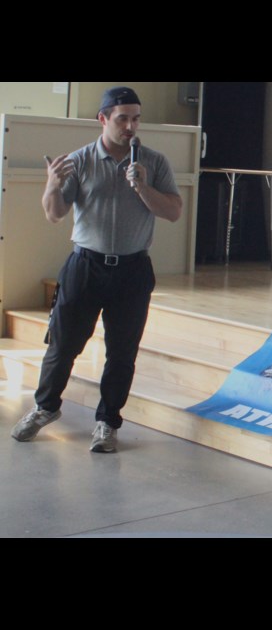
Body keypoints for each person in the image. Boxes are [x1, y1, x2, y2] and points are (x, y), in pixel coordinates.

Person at [10, 87, 182, 453]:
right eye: (123, 118)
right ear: (103, 119)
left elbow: (173, 211)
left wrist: (143, 187)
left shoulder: (153, 162)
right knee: (63, 345)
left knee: (122, 352)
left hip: (133, 270)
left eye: (136, 118)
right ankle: (45, 408)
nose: (131, 126)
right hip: (86, 266)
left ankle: (107, 422)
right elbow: (55, 213)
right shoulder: (81, 159)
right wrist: (52, 186)